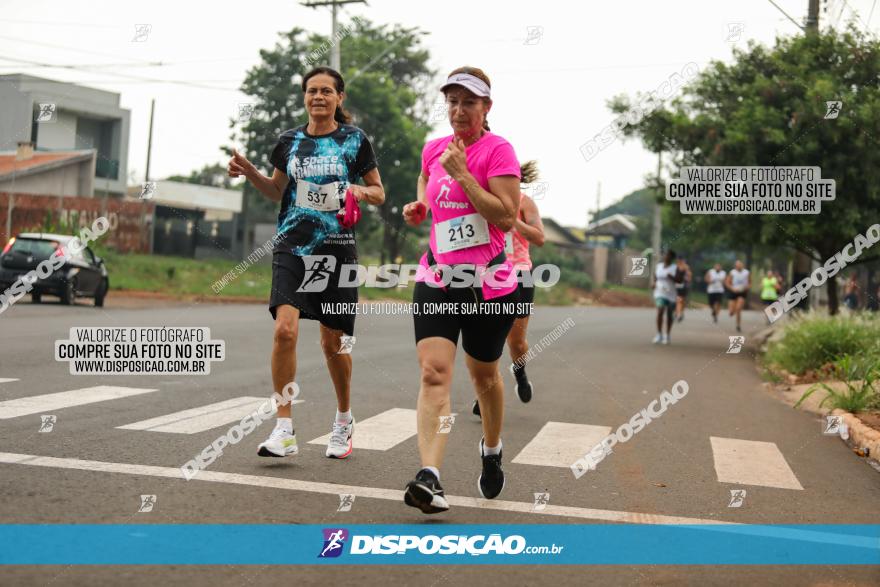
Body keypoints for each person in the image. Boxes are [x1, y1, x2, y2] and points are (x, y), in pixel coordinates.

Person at [228, 67, 384, 460]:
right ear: (304, 97)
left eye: (326, 91)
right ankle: (283, 427)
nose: (318, 97)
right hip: (292, 246)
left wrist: (358, 191)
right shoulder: (289, 141)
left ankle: (344, 418)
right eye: (312, 91)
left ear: (339, 98)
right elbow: (276, 190)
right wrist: (250, 173)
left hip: (336, 248)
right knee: (284, 331)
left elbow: (380, 193)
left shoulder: (354, 140)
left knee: (333, 343)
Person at [401, 66, 521, 513]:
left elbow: (506, 217)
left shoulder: (498, 151)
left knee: (484, 375)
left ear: (486, 108)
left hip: (488, 286)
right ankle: (430, 477)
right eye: (452, 101)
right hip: (437, 277)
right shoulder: (433, 150)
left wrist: (465, 174)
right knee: (434, 372)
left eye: (469, 102)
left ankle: (491, 450)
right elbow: (426, 182)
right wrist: (421, 205)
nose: (459, 110)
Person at [472, 160, 544, 419]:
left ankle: (520, 372)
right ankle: (486, 392)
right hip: (489, 274)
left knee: (516, 341)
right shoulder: (484, 199)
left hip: (520, 274)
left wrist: (513, 221)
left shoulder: (525, 202)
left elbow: (540, 237)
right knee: (487, 338)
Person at [652, 250, 677, 344]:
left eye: (668, 255)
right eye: (665, 255)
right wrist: (654, 283)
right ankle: (659, 334)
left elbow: (679, 280)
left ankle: (667, 335)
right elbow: (655, 276)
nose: (665, 257)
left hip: (671, 294)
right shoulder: (659, 266)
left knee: (669, 314)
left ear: (672, 258)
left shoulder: (675, 268)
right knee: (660, 310)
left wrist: (672, 277)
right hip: (660, 292)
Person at [725, 260, 751, 333]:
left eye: (740, 265)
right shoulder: (732, 272)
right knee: (731, 312)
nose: (738, 266)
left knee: (738, 309)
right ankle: (732, 312)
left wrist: (747, 287)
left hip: (742, 292)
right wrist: (732, 288)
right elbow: (727, 282)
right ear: (735, 266)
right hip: (733, 291)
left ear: (742, 265)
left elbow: (750, 282)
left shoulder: (746, 272)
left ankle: (738, 325)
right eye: (737, 265)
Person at [674, 256, 692, 322]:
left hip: (684, 286)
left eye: (681, 260)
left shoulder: (686, 267)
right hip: (676, 286)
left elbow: (689, 275)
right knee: (678, 300)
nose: (679, 261)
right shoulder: (675, 267)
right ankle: (677, 314)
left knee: (682, 301)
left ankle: (681, 312)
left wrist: (687, 278)